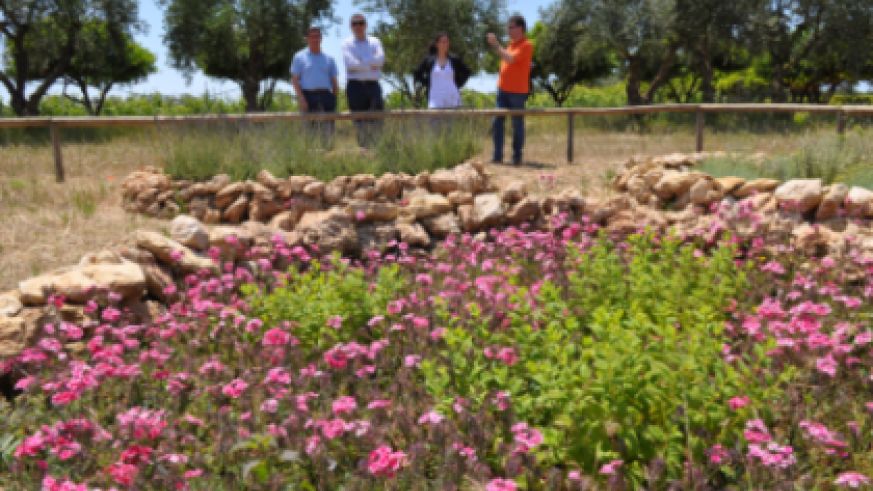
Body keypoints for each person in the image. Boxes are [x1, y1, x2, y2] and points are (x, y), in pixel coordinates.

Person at [487, 14, 533, 165]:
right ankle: (497, 156)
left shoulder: (526, 45)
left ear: (520, 28)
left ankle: (517, 157)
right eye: (508, 27)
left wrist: (495, 45)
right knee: (496, 121)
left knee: (517, 124)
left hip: (518, 92)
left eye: (511, 27)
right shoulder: (510, 45)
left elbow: (510, 59)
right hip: (502, 90)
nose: (508, 30)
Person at [291, 26, 339, 146]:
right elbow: (295, 80)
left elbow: (334, 81)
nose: (315, 39)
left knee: (328, 132)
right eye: (312, 36)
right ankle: (309, 160)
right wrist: (301, 98)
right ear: (307, 39)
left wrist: (334, 98)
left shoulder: (329, 59)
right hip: (308, 96)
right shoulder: (299, 57)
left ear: (321, 39)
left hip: (326, 96)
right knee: (309, 133)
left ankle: (328, 156)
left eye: (317, 36)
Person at [342, 13, 385, 148]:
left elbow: (381, 60)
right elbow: (350, 65)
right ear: (351, 26)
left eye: (361, 23)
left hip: (373, 86)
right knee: (359, 122)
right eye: (355, 23)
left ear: (366, 25)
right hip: (355, 87)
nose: (358, 26)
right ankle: (364, 151)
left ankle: (377, 150)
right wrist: (371, 63)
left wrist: (361, 62)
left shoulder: (375, 41)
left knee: (377, 119)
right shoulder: (346, 43)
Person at [413, 33, 472, 109]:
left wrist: (457, 84)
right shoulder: (429, 60)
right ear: (437, 44)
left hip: (452, 99)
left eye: (447, 42)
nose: (445, 44)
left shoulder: (454, 59)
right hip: (435, 100)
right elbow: (417, 73)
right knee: (434, 120)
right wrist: (428, 84)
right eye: (443, 42)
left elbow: (467, 72)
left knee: (453, 121)